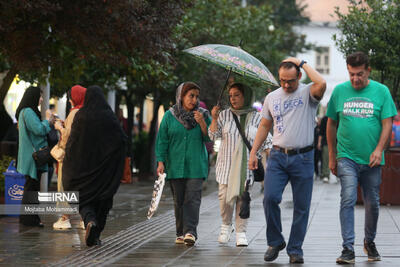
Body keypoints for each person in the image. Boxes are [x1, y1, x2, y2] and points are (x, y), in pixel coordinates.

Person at [249, 57, 326, 264]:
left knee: (302, 206)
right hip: (278, 156)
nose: (285, 84)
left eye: (290, 81)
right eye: (282, 80)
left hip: (303, 157)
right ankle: (275, 241)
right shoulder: (272, 97)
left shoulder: (308, 92)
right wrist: (253, 152)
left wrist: (302, 63)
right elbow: (265, 126)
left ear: (299, 77)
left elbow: (322, 83)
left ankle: (295, 249)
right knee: (270, 198)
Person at [326, 51, 397, 264]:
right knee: (347, 198)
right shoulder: (339, 91)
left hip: (372, 159)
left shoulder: (381, 91)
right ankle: (348, 248)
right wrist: (332, 155)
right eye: (351, 75)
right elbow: (331, 123)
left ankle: (370, 241)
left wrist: (379, 150)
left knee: (372, 203)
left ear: (368, 71)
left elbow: (387, 123)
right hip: (346, 156)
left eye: (360, 74)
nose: (355, 79)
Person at [62, 85, 126, 246]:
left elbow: (73, 143)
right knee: (103, 201)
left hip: (83, 170)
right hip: (105, 173)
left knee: (83, 200)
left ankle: (90, 220)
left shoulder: (81, 116)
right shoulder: (109, 117)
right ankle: (95, 234)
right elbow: (122, 140)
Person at [209, 83, 272, 247]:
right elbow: (213, 135)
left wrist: (273, 165)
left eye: (236, 95)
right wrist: (214, 118)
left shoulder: (257, 117)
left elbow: (268, 142)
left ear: (246, 96)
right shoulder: (224, 115)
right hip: (225, 166)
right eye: (230, 95)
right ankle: (225, 225)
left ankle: (240, 232)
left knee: (243, 199)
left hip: (247, 168)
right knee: (224, 198)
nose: (232, 98)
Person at [156, 82, 211, 246]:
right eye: (191, 96)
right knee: (178, 200)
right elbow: (162, 141)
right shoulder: (169, 116)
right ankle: (180, 232)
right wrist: (160, 161)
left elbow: (209, 138)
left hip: (196, 165)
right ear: (181, 96)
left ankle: (190, 232)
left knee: (193, 199)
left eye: (196, 96)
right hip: (175, 165)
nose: (194, 100)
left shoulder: (203, 115)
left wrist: (202, 123)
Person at [16, 86, 52, 227]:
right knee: (32, 188)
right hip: (33, 157)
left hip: (29, 156)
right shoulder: (29, 112)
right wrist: (48, 120)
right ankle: (29, 219)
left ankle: (31, 218)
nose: (41, 99)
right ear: (33, 97)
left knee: (31, 187)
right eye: (40, 96)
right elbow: (39, 129)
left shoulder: (24, 112)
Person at [52, 85, 87, 230]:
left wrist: (59, 127)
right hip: (82, 156)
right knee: (81, 186)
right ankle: (84, 218)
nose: (70, 99)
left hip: (69, 157)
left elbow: (68, 136)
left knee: (64, 185)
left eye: (71, 96)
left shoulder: (74, 113)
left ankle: (65, 218)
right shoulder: (87, 112)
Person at [318, 115, 330, 182]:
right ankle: (325, 175)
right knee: (325, 159)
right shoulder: (325, 119)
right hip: (326, 141)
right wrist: (319, 142)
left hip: (338, 141)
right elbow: (321, 132)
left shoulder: (339, 117)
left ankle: (338, 174)